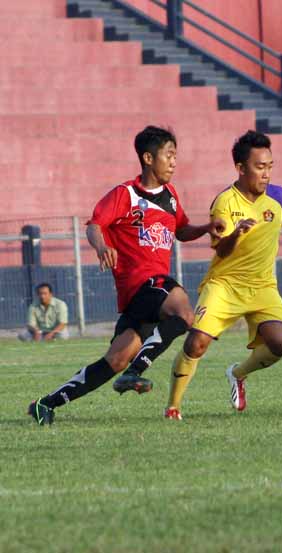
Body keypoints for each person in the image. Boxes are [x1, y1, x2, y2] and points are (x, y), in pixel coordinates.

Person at [27, 126, 222, 425]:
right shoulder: (126, 194)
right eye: (168, 155)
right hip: (142, 283)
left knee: (115, 360)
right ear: (147, 158)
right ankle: (135, 372)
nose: (173, 162)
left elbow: (181, 230)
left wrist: (206, 228)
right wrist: (102, 246)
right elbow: (95, 225)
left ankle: (45, 404)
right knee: (184, 313)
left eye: (175, 156)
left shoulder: (170, 196)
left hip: (147, 295)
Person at [164, 130, 282, 420]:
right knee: (196, 343)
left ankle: (238, 374)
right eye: (259, 167)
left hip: (263, 286)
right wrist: (237, 234)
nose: (266, 173)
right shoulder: (225, 202)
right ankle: (173, 407)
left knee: (280, 342)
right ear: (241, 168)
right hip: (225, 285)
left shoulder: (280, 196)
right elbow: (222, 250)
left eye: (269, 166)